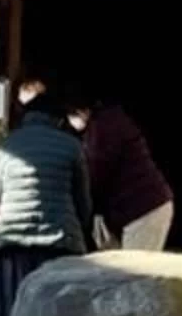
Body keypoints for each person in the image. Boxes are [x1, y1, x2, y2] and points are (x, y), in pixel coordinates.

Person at [0, 72, 94, 316]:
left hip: (11, 245)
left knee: (9, 313)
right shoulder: (72, 147)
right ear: (57, 119)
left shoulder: (6, 146)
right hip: (58, 243)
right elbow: (83, 204)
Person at [73, 90, 174, 253]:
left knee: (136, 271)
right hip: (130, 211)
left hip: (144, 209)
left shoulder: (105, 126)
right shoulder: (104, 123)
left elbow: (97, 171)